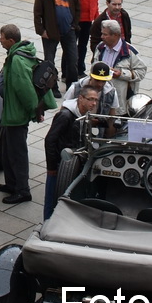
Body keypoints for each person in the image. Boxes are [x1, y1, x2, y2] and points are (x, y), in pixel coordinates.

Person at [0, 23, 48, 204]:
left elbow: (24, 89)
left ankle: (23, 190)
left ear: (11, 41)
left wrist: (34, 112)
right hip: (11, 112)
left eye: (2, 37)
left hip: (16, 115)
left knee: (17, 153)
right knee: (8, 150)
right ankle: (12, 184)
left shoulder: (17, 60)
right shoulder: (16, 54)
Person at [44, 84, 102, 219]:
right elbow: (50, 140)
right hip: (60, 165)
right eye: (90, 99)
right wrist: (52, 167)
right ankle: (47, 224)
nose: (93, 103)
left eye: (96, 100)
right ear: (80, 98)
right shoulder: (65, 116)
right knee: (52, 200)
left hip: (72, 164)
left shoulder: (84, 114)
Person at [33, 0, 78, 85]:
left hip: (68, 30)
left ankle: (72, 85)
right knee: (49, 62)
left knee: (73, 60)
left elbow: (77, 7)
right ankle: (52, 87)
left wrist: (74, 24)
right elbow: (37, 13)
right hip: (50, 33)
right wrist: (41, 31)